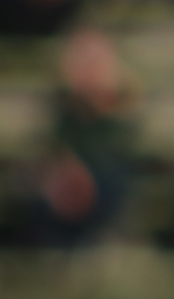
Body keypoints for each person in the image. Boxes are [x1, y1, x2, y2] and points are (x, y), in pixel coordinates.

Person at [15, 29, 138, 247]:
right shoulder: (55, 120)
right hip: (55, 222)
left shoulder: (126, 123)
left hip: (103, 220)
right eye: (81, 61)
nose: (88, 71)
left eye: (94, 61)